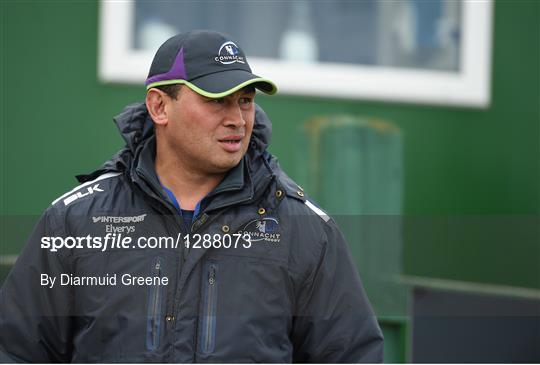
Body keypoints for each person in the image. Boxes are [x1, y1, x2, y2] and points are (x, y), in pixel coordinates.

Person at [0, 30, 383, 362]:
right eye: (217, 100)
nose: (237, 118)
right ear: (159, 106)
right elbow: (14, 350)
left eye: (245, 100)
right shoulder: (76, 219)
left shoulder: (305, 231)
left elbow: (353, 356)